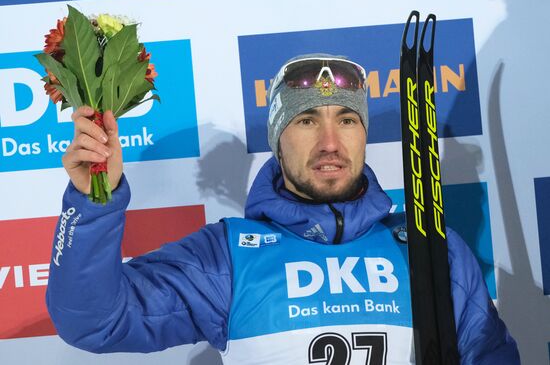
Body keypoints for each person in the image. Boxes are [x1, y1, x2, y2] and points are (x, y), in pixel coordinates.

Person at [47, 53, 520, 364]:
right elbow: (94, 321)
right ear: (278, 139)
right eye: (307, 120)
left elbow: (490, 355)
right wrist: (93, 202)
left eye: (348, 120)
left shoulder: (430, 249)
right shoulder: (228, 256)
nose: (331, 142)